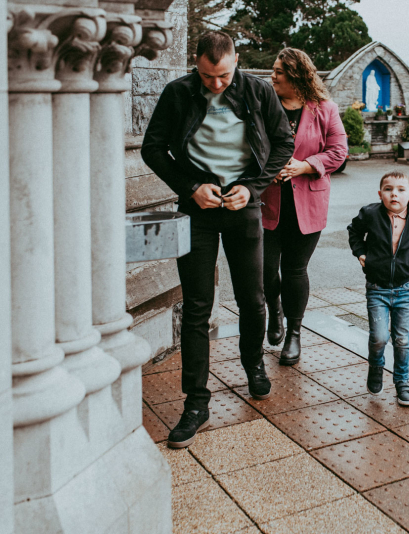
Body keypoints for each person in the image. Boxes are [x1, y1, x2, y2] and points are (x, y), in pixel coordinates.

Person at [142, 31, 295, 448]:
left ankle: (253, 367)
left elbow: (284, 143)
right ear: (197, 64)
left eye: (223, 75)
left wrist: (255, 187)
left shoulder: (259, 91)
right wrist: (191, 186)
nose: (215, 84)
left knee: (254, 298)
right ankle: (196, 402)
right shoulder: (178, 93)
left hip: (243, 204)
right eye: (208, 76)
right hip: (198, 209)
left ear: (236, 61)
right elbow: (152, 149)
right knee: (196, 307)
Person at [261, 48, 347, 365]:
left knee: (295, 270)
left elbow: (338, 152)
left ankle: (293, 335)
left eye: (278, 71)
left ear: (295, 75)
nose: (272, 76)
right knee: (267, 271)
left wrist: (305, 166)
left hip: (307, 204)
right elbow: (249, 147)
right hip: (267, 203)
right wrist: (266, 171)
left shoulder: (325, 109)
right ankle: (275, 311)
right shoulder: (264, 107)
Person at [347, 171, 409, 406]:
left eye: (401, 190)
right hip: (377, 288)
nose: (394, 193)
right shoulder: (370, 214)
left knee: (402, 339)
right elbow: (354, 231)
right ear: (380, 194)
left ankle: (402, 381)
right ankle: (376, 367)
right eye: (388, 189)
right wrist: (361, 253)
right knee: (379, 337)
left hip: (404, 289)